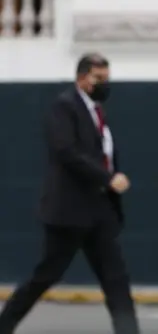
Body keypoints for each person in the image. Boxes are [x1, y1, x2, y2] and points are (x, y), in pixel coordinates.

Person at [0, 54, 139, 334]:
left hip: (100, 212)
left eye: (106, 78)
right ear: (82, 77)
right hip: (69, 213)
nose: (104, 84)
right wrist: (108, 178)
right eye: (99, 78)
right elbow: (67, 152)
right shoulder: (64, 107)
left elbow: (104, 152)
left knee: (116, 281)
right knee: (44, 277)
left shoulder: (97, 111)